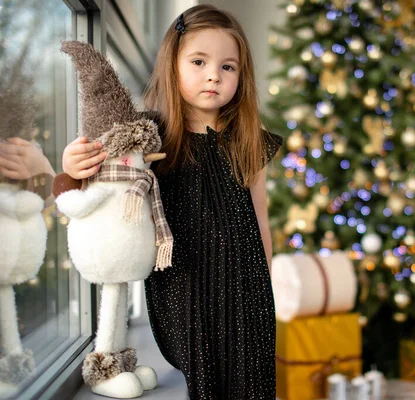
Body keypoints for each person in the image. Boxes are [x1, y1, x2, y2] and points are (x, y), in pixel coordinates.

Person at [60, 4, 282, 399]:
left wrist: (264, 287)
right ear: (172, 63)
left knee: (252, 382)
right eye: (199, 61)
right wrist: (73, 167)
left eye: (228, 67)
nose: (214, 74)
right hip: (184, 286)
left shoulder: (249, 136)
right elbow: (107, 184)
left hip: (246, 287)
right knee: (205, 379)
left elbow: (260, 218)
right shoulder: (149, 135)